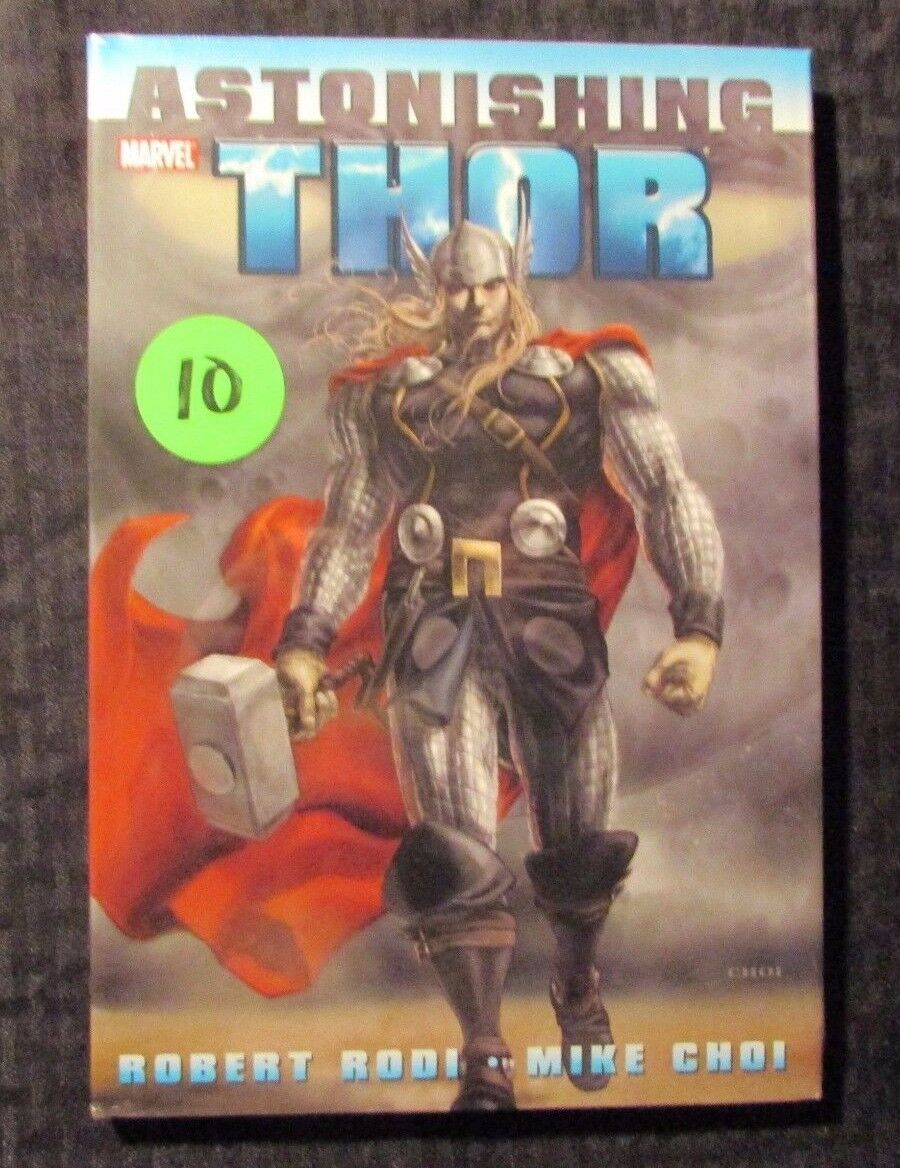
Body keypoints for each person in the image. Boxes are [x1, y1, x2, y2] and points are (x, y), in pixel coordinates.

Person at [274, 200, 724, 1110]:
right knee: (452, 852)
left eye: (487, 287)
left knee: (579, 849)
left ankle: (577, 981)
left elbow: (667, 492)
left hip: (549, 625)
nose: (474, 305)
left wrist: (699, 625)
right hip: (435, 627)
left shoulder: (587, 378)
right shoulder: (388, 400)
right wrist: (306, 639)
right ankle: (484, 1051)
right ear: (434, 291)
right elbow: (350, 526)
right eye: (457, 289)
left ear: (510, 281)